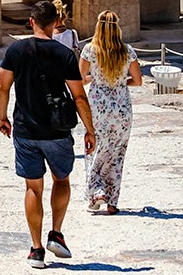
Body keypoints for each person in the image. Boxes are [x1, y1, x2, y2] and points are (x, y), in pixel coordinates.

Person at [0, 0, 96, 270]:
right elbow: (78, 96)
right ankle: (56, 232)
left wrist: (3, 117)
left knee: (33, 187)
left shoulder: (16, 50)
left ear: (31, 22)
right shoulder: (64, 54)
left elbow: (3, 86)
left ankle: (36, 249)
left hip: (26, 129)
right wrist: (90, 129)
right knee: (61, 179)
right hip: (57, 131)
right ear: (55, 23)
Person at [78, 11, 141, 214]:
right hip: (122, 107)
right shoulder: (127, 50)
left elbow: (79, 79)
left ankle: (96, 191)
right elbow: (138, 81)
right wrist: (121, 83)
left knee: (95, 147)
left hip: (98, 107)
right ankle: (112, 201)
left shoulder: (89, 50)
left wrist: (95, 80)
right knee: (117, 153)